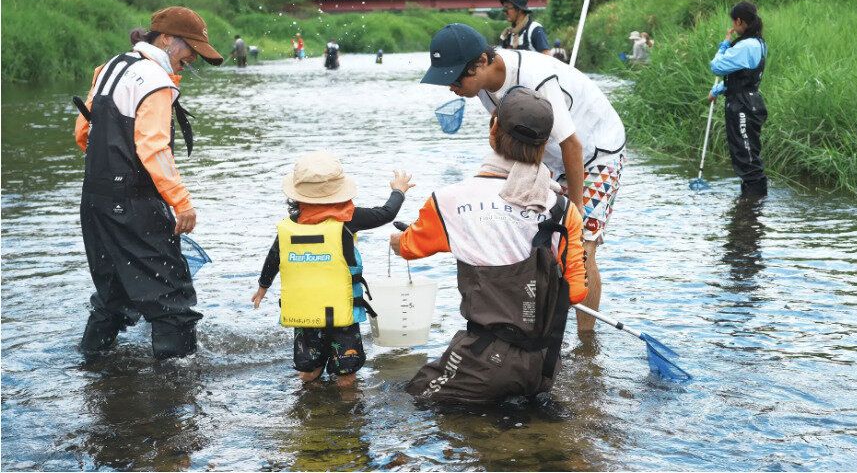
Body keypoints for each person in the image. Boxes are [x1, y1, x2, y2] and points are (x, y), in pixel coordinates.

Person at [420, 23, 626, 333]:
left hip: (596, 154)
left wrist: (578, 211)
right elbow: (510, 139)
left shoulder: (534, 79)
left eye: (454, 77)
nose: (450, 86)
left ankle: (586, 342)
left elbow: (573, 144)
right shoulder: (485, 88)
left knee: (581, 247)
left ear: (481, 63)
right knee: (535, 238)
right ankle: (539, 329)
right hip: (549, 155)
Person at [391, 87, 587, 404]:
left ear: (493, 127)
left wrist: (397, 241)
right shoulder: (564, 210)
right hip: (544, 367)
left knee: (406, 401)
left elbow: (409, 249)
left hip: (481, 363)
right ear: (545, 144)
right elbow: (576, 292)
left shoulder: (449, 200)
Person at [73, 6, 223, 359]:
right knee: (173, 302)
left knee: (113, 297)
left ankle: (92, 369)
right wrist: (181, 202)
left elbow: (83, 133)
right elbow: (153, 148)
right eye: (191, 49)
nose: (193, 59)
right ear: (168, 40)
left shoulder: (111, 67)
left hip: (95, 200)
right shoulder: (155, 81)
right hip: (132, 203)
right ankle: (176, 391)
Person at [251, 151, 414, 387]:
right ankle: (345, 415)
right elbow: (387, 213)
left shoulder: (292, 225)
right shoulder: (349, 219)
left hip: (306, 312)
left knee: (309, 371)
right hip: (342, 311)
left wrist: (263, 286)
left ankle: (309, 405)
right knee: (346, 375)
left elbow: (274, 256)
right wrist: (399, 190)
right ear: (338, 190)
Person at [708, 1, 768, 197]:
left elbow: (717, 66)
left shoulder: (745, 46)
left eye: (733, 23)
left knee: (747, 158)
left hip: (743, 105)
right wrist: (717, 90)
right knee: (745, 155)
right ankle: (748, 207)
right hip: (749, 100)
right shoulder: (757, 42)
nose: (732, 27)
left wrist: (725, 42)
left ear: (739, 21)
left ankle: (752, 210)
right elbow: (743, 78)